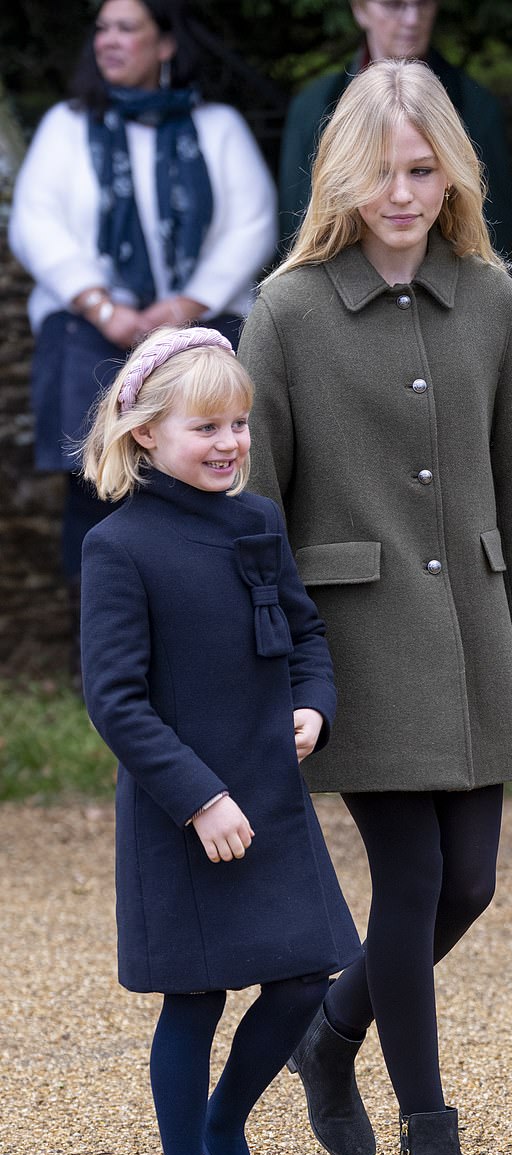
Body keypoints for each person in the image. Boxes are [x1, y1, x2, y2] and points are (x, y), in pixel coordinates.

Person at [239, 59, 512, 1155]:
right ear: (341, 173)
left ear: (451, 173)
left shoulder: (487, 295)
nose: (401, 193)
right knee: (415, 872)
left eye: (423, 169)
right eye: (380, 171)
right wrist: (276, 660)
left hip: (475, 631)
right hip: (355, 644)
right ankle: (432, 1141)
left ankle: (332, 1033)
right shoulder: (284, 312)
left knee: (469, 878)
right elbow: (256, 508)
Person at [79, 325, 361, 1155]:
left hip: (271, 793)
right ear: (146, 434)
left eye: (239, 423)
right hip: (181, 811)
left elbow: (309, 633)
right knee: (194, 999)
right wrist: (199, 798)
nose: (230, 442)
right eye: (206, 426)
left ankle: (224, 1125)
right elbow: (114, 700)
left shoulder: (259, 521)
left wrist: (313, 705)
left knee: (304, 976)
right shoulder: (119, 547)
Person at [9, 0, 276, 681]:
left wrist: (180, 309)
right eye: (100, 27)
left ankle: (220, 652)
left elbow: (253, 221)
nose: (109, 40)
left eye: (128, 27)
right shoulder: (68, 128)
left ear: (165, 43)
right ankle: (105, 665)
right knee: (93, 487)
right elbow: (34, 222)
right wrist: (101, 305)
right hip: (89, 331)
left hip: (203, 333)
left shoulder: (214, 127)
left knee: (221, 478)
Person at [278, 0, 512, 254]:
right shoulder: (314, 107)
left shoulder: (475, 106)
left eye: (423, 4)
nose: (412, 19)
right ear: (360, 10)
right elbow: (297, 222)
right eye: (393, 5)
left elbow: (492, 226)